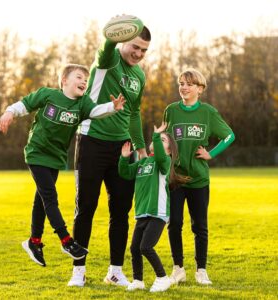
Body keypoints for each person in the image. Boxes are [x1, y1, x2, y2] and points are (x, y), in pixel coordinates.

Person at [0, 63, 125, 267]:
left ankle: (34, 241)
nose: (84, 81)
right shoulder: (48, 95)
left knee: (41, 199)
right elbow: (25, 104)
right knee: (49, 197)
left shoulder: (82, 103)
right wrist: (9, 113)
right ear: (64, 80)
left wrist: (112, 107)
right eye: (79, 77)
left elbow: (96, 111)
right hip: (37, 153)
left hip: (56, 158)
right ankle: (67, 241)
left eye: (86, 79)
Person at [68, 15, 151, 287]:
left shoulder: (139, 74)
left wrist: (140, 148)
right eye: (135, 46)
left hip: (123, 149)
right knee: (86, 208)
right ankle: (78, 271)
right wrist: (111, 36)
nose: (138, 54)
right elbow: (105, 49)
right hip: (92, 142)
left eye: (143, 50)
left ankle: (115, 270)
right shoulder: (109, 60)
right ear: (123, 40)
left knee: (121, 211)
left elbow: (134, 113)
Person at [163, 68, 235, 285]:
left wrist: (210, 154)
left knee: (200, 226)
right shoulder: (171, 110)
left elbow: (229, 135)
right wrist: (164, 149)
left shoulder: (208, 113)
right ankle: (178, 269)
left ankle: (201, 270)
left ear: (200, 89)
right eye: (181, 83)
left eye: (189, 84)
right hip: (176, 177)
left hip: (199, 179)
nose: (184, 87)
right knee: (174, 223)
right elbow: (165, 136)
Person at [119, 122, 189, 292]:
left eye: (163, 140)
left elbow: (159, 155)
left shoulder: (163, 161)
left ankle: (162, 278)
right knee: (135, 248)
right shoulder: (143, 163)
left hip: (158, 213)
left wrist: (157, 135)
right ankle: (138, 281)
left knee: (146, 247)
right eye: (159, 138)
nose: (158, 140)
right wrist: (124, 158)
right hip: (142, 212)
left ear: (169, 150)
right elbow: (125, 173)